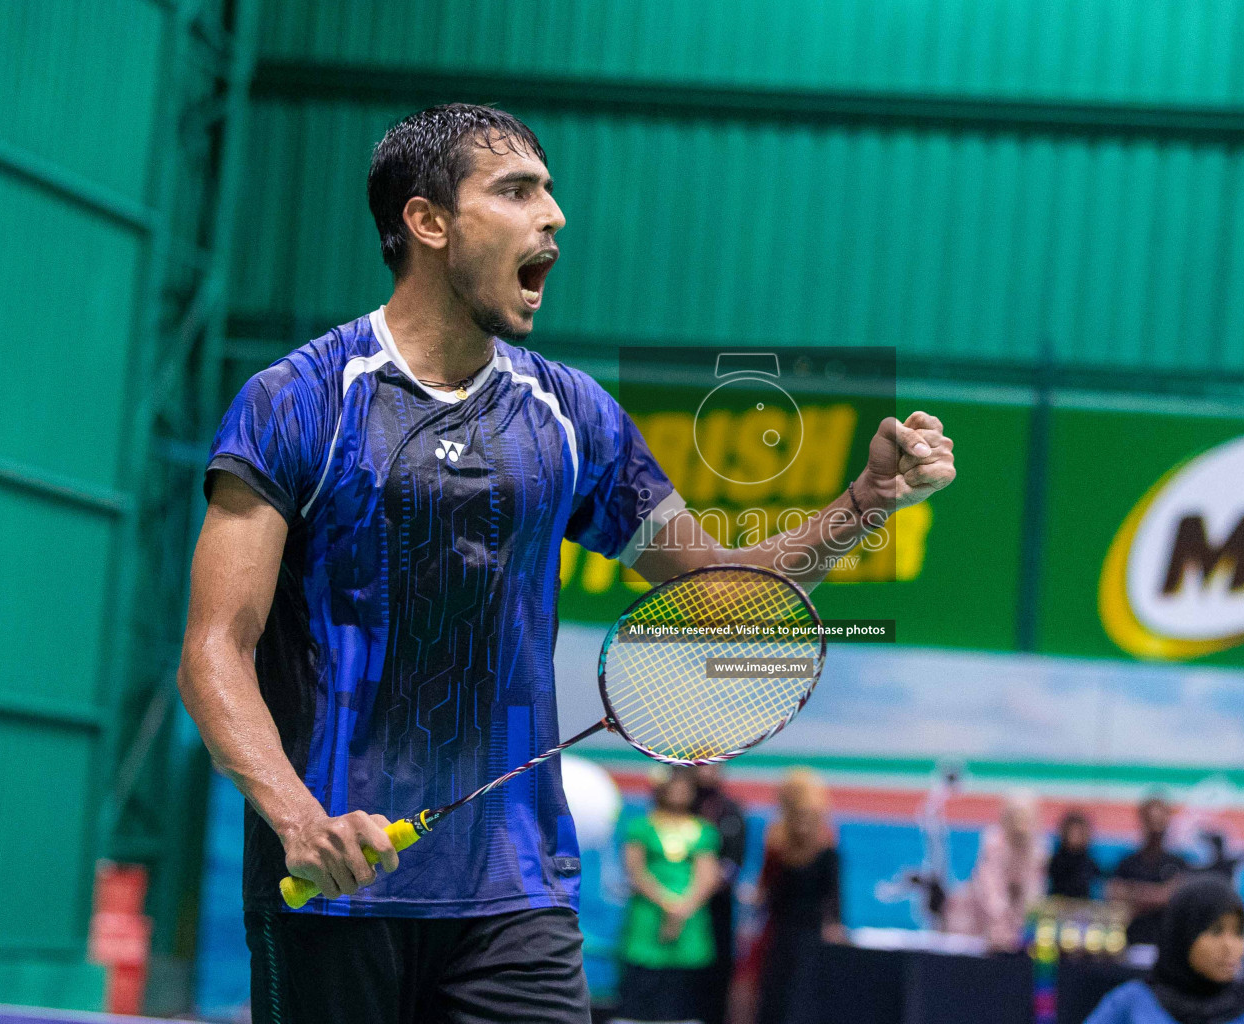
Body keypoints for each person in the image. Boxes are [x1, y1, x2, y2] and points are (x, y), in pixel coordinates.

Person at [175, 102, 958, 1023]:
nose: (554, 215)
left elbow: (718, 599)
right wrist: (297, 817)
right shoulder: (300, 401)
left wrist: (862, 506)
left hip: (516, 891)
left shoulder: (569, 414)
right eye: (516, 191)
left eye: (550, 190)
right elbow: (214, 648)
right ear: (428, 222)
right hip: (338, 882)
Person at [1084, 876, 1244, 1024]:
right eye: (1216, 931)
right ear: (1182, 935)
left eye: (1238, 933)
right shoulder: (1131, 1003)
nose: (1230, 946)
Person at [617, 768, 722, 1024]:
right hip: (648, 918)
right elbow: (636, 871)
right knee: (641, 990)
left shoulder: (704, 830)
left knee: (680, 996)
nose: (679, 792)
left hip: (690, 920)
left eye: (684, 787)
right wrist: (667, 903)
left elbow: (708, 876)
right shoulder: (641, 827)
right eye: (673, 786)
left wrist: (684, 908)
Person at [754, 770, 843, 1024]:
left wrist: (834, 924)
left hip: (811, 929)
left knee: (805, 989)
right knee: (774, 988)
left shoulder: (826, 845)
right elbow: (767, 888)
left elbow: (833, 892)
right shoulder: (777, 841)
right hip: (780, 928)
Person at [945, 790, 1046, 950]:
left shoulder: (1037, 851)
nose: (1020, 825)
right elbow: (990, 891)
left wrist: (1019, 927)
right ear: (1007, 819)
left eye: (1025, 819)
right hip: (977, 920)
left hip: (1014, 929)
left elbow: (1033, 892)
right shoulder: (994, 844)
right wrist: (1002, 926)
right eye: (1016, 818)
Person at [693, 764, 748, 1024]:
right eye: (701, 766)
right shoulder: (679, 809)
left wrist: (702, 889)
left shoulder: (732, 811)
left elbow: (733, 864)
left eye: (713, 766)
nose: (707, 772)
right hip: (680, 908)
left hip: (717, 908)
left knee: (717, 973)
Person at [1109, 795, 1191, 948]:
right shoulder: (1127, 863)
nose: (1155, 827)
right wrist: (1159, 893)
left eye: (1160, 821)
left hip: (1167, 945)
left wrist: (1133, 892)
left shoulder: (1178, 863)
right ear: (1143, 821)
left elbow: (1173, 896)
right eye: (1151, 820)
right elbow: (1114, 895)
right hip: (1132, 943)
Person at [1048, 808, 1103, 900]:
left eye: (1078, 832)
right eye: (1072, 832)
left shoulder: (1090, 864)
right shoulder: (1055, 862)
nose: (1075, 836)